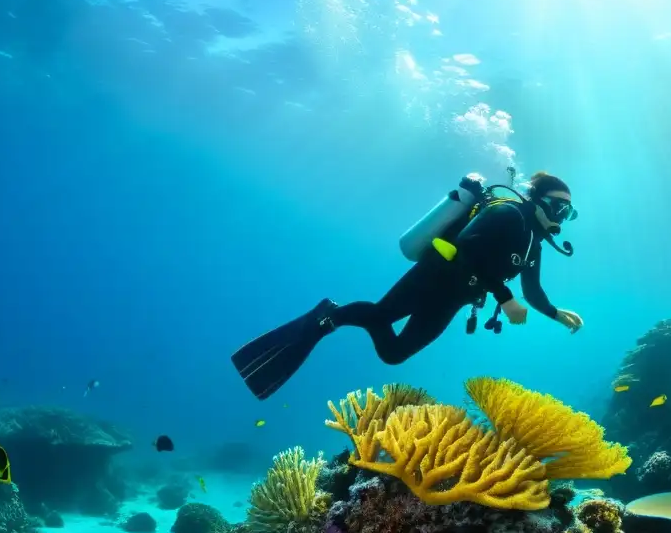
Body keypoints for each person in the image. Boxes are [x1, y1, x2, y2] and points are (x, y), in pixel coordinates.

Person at [231, 170, 584, 400]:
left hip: (455, 298)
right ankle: (330, 315)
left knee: (394, 354)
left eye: (567, 212)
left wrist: (554, 313)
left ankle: (332, 314)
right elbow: (466, 248)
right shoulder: (507, 214)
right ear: (538, 200)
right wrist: (504, 297)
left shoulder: (533, 244)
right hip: (434, 275)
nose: (561, 217)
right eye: (558, 207)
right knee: (382, 313)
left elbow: (533, 290)